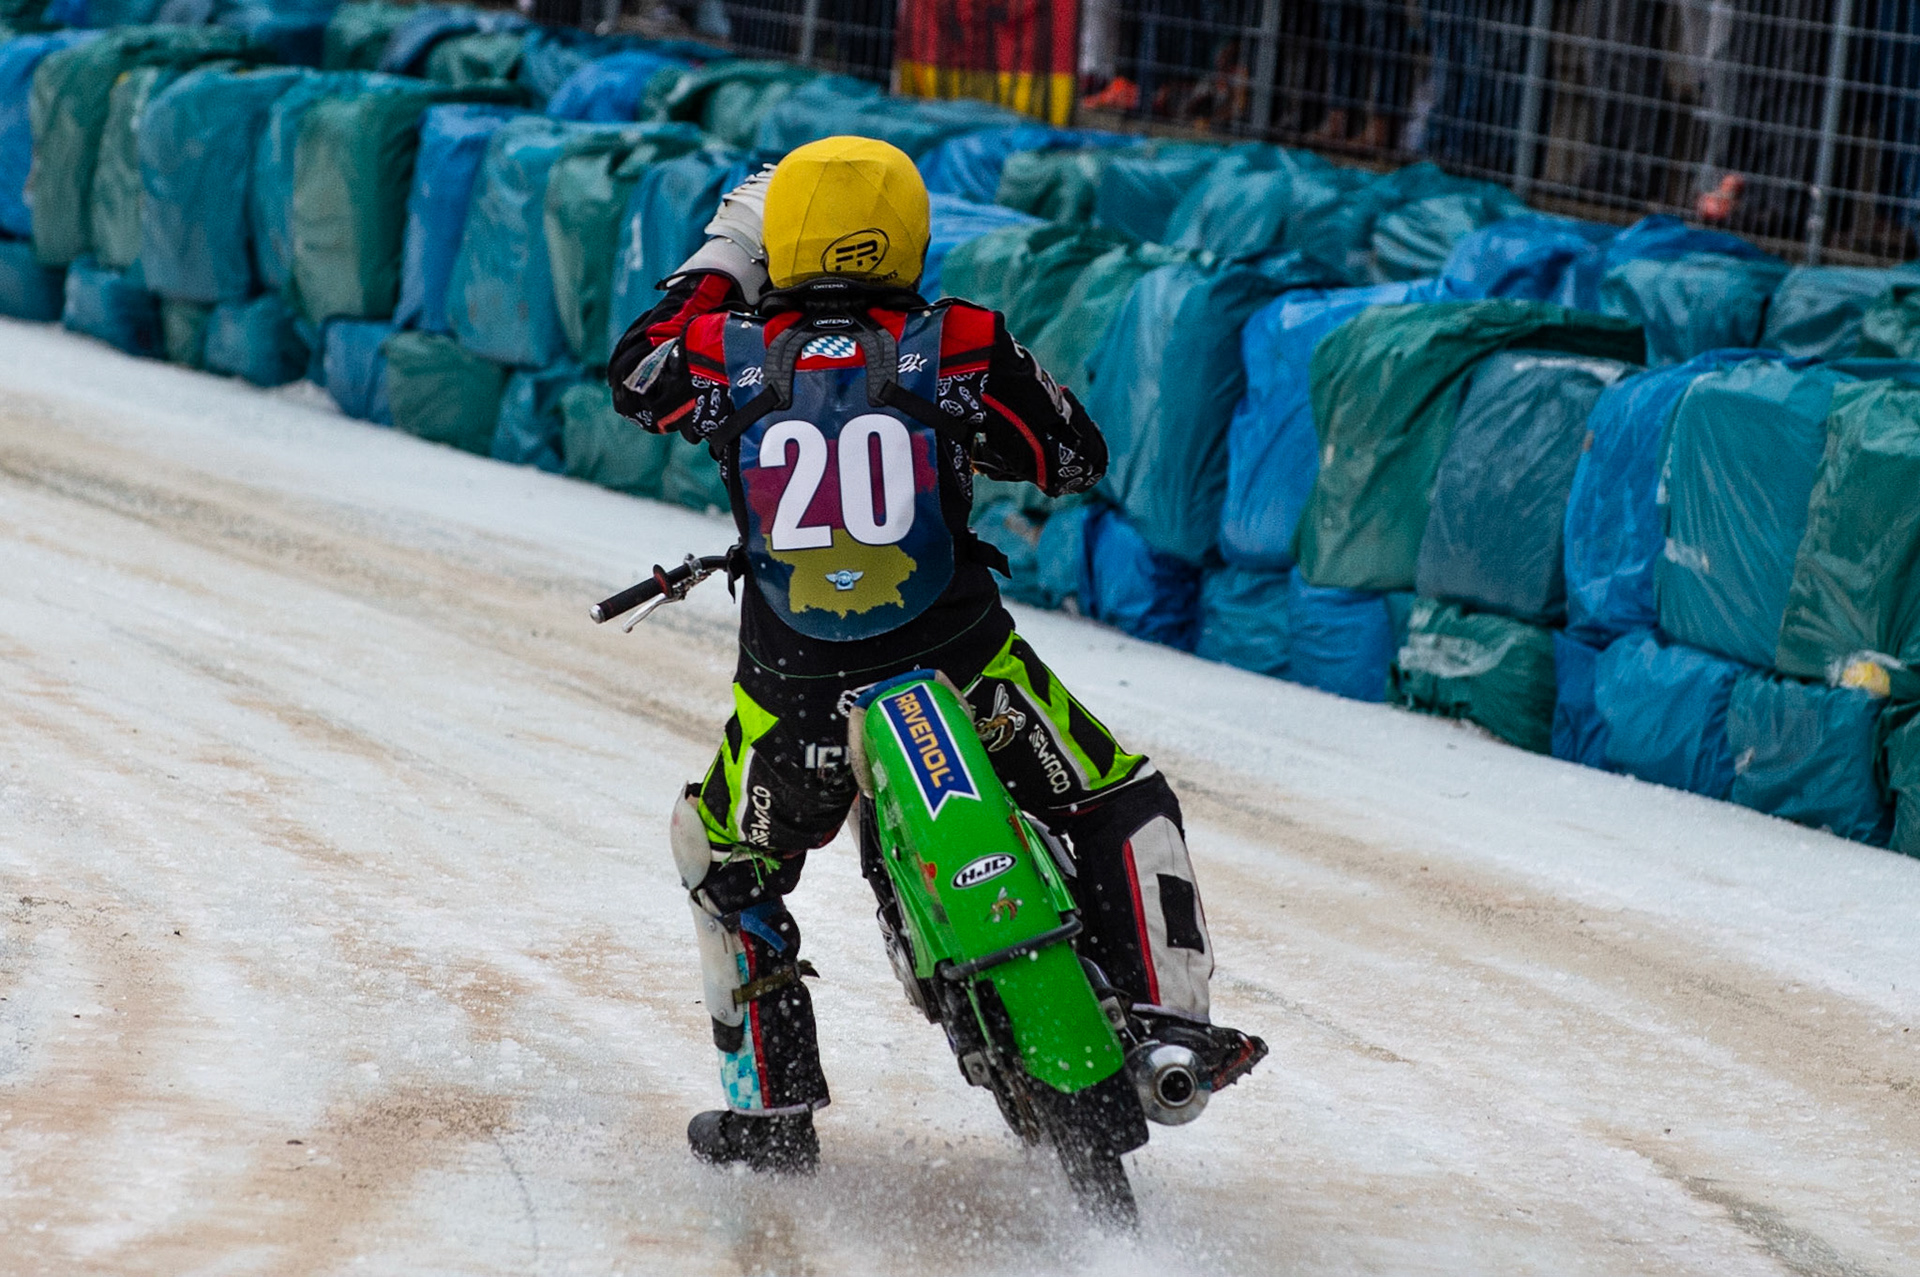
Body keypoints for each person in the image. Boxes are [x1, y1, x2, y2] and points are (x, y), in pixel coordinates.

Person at [608, 136, 1262, 1175]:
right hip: (966, 668)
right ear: (909, 234)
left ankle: (772, 1116)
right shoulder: (952, 342)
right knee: (1120, 800)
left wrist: (724, 249)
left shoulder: (719, 352)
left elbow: (633, 375)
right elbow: (1072, 454)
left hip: (797, 707)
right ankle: (1169, 1022)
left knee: (722, 860)